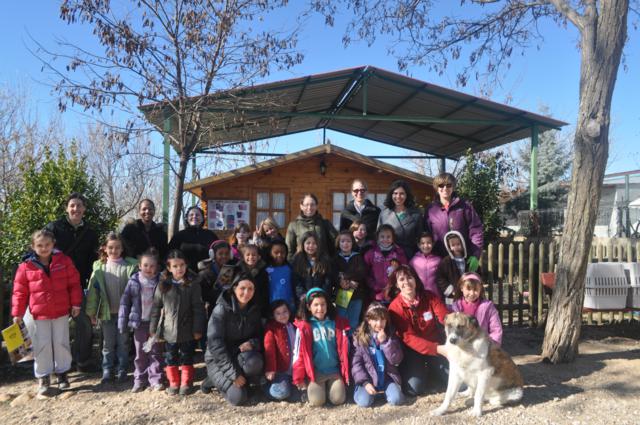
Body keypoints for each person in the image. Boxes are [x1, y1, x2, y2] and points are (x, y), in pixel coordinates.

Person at [11, 229, 82, 395]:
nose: (44, 248)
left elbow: (74, 284)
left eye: (47, 244)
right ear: (33, 247)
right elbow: (19, 292)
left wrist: (76, 304)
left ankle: (62, 374)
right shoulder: (25, 266)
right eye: (40, 245)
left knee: (61, 343)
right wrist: (17, 314)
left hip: (61, 311)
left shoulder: (64, 261)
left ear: (53, 244)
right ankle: (43, 376)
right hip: (39, 314)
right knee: (41, 345)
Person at [45, 192, 99, 372]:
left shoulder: (90, 233)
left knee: (84, 323)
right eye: (72, 205)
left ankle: (82, 361)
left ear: (84, 209)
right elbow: (41, 250)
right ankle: (59, 365)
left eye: (79, 206)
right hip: (57, 286)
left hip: (79, 285)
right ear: (67, 208)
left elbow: (93, 259)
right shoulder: (54, 228)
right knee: (56, 327)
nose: (76, 209)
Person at [149, 249, 206, 396]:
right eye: (175, 266)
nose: (179, 269)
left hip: (188, 329)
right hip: (169, 330)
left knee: (187, 356)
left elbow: (198, 308)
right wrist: (153, 328)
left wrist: (198, 328)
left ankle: (186, 383)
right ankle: (174, 382)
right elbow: (156, 307)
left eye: (181, 265)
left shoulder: (193, 284)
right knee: (170, 356)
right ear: (169, 268)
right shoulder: (163, 285)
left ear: (186, 265)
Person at [202, 274, 264, 405]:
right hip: (218, 359)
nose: (246, 293)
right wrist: (233, 375)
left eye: (250, 289)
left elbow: (260, 336)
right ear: (234, 288)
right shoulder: (221, 309)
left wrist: (252, 343)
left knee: (255, 362)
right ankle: (211, 380)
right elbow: (215, 344)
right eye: (242, 288)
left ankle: (242, 382)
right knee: (238, 398)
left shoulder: (254, 309)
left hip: (239, 354)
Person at [387, 265, 448, 396]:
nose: (406, 282)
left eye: (409, 277)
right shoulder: (394, 308)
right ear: (397, 285)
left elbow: (445, 317)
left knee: (458, 382)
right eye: (401, 279)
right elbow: (409, 338)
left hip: (435, 344)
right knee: (414, 389)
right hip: (412, 351)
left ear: (415, 280)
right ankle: (424, 371)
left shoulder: (429, 297)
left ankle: (433, 370)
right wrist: (438, 349)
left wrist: (452, 328)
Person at [86, 232, 138, 383]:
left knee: (123, 343)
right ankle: (107, 370)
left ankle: (122, 369)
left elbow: (136, 292)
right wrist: (91, 312)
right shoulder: (99, 268)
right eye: (110, 247)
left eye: (117, 248)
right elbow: (93, 292)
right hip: (106, 314)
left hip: (124, 314)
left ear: (122, 249)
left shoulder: (130, 267)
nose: (114, 251)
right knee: (107, 344)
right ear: (104, 248)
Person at [292, 288, 350, 407]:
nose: (320, 308)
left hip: (334, 370)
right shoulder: (304, 328)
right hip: (316, 372)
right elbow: (299, 354)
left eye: (323, 304)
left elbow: (344, 349)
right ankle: (318, 388)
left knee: (338, 400)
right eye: (316, 305)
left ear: (327, 305)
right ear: (309, 307)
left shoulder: (337, 324)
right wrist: (299, 377)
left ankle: (331, 387)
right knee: (317, 402)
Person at [118, 249, 164, 392]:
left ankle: (155, 379)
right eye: (145, 265)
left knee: (155, 352)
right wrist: (122, 321)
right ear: (139, 266)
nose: (148, 269)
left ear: (156, 267)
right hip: (139, 323)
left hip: (155, 323)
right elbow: (125, 302)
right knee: (140, 353)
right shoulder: (134, 281)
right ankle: (139, 379)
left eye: (152, 266)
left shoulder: (161, 281)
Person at [352, 302, 405, 407]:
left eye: (382, 319)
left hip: (387, 378)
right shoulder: (360, 338)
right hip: (368, 379)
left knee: (397, 400)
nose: (379, 323)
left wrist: (385, 343)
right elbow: (356, 364)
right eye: (375, 320)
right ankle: (365, 392)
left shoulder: (390, 335)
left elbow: (397, 360)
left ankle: (386, 392)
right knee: (364, 402)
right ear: (369, 321)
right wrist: (365, 383)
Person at [424, 172, 483, 266]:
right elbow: (426, 234)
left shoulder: (465, 206)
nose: (445, 188)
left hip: (464, 258)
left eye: (448, 185)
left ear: (453, 187)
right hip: (440, 259)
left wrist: (475, 255)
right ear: (436, 188)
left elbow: (476, 230)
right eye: (441, 185)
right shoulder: (431, 210)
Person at [451, 272, 502, 345]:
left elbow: (496, 329)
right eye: (468, 289)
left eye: (475, 290)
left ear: (480, 289)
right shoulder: (455, 307)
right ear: (461, 288)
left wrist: (491, 345)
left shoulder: (488, 307)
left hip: (482, 346)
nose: (472, 293)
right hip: (461, 346)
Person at [377, 180, 424, 259]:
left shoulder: (416, 214)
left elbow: (420, 238)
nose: (398, 196)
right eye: (395, 193)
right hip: (388, 255)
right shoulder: (384, 214)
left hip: (409, 255)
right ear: (391, 195)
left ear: (407, 195)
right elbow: (378, 236)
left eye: (402, 193)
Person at [332, 230, 367, 333]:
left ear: (353, 243)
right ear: (338, 243)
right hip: (342, 293)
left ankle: (352, 344)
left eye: (348, 241)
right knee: (341, 319)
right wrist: (340, 281)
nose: (345, 244)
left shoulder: (358, 257)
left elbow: (361, 272)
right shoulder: (335, 259)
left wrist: (347, 277)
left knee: (353, 322)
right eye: (342, 241)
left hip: (356, 294)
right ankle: (342, 342)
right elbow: (333, 275)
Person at [286, 193, 338, 262]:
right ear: (301, 206)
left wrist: (331, 261)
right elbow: (289, 250)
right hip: (301, 266)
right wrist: (292, 264)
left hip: (323, 265)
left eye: (312, 205)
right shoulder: (293, 225)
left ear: (316, 206)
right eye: (306, 205)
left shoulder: (325, 223)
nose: (309, 208)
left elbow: (336, 242)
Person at [436, 230, 482, 305]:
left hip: (469, 293)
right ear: (449, 247)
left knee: (469, 313)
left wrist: (474, 288)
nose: (456, 247)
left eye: (458, 244)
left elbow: (478, 275)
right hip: (453, 296)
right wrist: (450, 290)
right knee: (455, 315)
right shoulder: (445, 262)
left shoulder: (470, 259)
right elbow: (440, 278)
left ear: (462, 243)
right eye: (453, 245)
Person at [168, 206, 219, 272]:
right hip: (184, 275)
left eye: (197, 215)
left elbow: (219, 251)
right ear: (187, 218)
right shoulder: (179, 236)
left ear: (203, 218)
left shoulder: (210, 235)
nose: (194, 216)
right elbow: (169, 254)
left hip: (207, 275)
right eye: (191, 215)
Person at [364, 225, 407, 303]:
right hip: (375, 295)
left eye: (388, 237)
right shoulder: (371, 253)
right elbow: (365, 272)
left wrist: (395, 286)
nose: (385, 239)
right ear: (377, 238)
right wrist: (373, 285)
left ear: (393, 238)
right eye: (382, 237)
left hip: (394, 293)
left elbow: (404, 270)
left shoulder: (399, 253)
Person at [263, 300, 296, 401]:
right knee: (282, 393)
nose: (282, 315)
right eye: (278, 313)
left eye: (285, 311)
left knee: (304, 388)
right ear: (273, 315)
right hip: (282, 370)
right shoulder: (272, 328)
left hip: (295, 369)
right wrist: (271, 368)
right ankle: (265, 388)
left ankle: (291, 388)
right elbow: (270, 350)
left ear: (289, 312)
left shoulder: (294, 325)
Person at [197, 240, 237, 319]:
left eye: (227, 253)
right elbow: (202, 296)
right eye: (220, 253)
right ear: (213, 255)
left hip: (230, 312)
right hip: (212, 313)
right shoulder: (205, 274)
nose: (224, 256)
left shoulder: (234, 269)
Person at [291, 231, 333, 304]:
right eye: (308, 243)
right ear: (303, 244)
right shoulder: (297, 260)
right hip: (303, 299)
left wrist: (320, 295)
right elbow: (296, 281)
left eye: (314, 243)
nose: (311, 246)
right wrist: (302, 294)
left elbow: (327, 281)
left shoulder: (324, 260)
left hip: (320, 299)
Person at [238, 244, 270, 317]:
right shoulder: (237, 270)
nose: (251, 257)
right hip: (242, 305)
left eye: (254, 255)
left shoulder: (263, 271)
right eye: (248, 255)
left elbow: (265, 291)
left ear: (259, 257)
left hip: (258, 306)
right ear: (243, 257)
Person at [265, 240, 295, 315]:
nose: (279, 255)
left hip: (289, 307)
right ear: (270, 253)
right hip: (272, 308)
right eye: (276, 252)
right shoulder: (265, 269)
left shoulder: (290, 268)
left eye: (283, 252)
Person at [409, 232, 442, 298]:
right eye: (423, 243)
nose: (426, 246)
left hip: (435, 294)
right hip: (419, 293)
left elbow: (442, 277)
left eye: (429, 243)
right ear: (418, 245)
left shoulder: (438, 260)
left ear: (433, 244)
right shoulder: (414, 260)